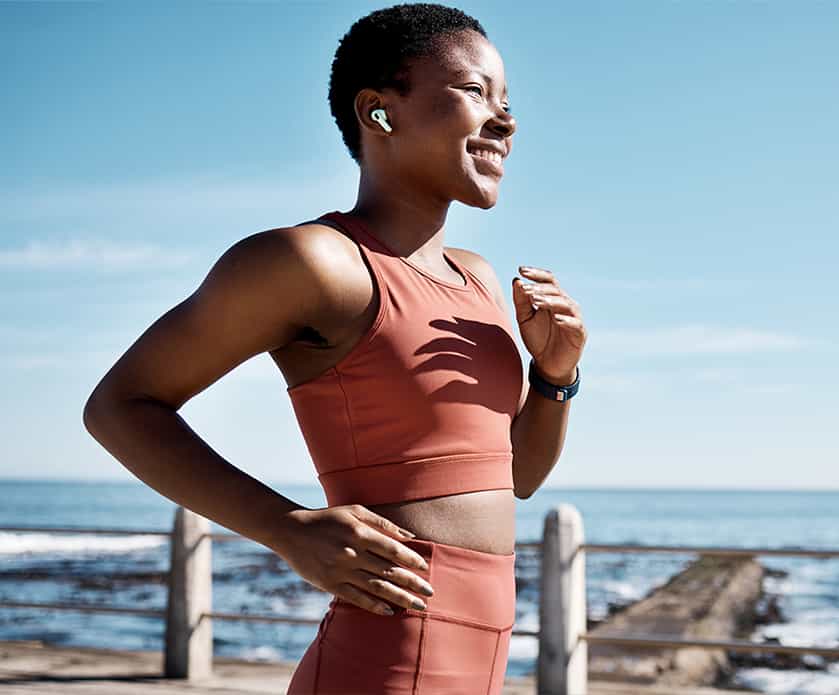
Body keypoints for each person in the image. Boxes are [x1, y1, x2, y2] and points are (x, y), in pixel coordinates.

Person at [81, 3, 586, 693]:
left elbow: (518, 474)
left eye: (507, 100)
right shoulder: (315, 262)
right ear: (379, 111)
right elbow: (118, 406)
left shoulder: (482, 279)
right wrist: (288, 527)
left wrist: (555, 374)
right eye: (475, 92)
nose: (506, 119)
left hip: (485, 669)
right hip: (380, 663)